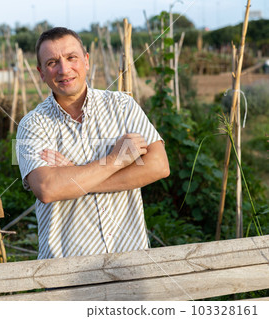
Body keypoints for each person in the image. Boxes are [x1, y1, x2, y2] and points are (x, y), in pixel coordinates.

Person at [16, 27, 170, 260]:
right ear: (41, 73)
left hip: (130, 259)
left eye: (71, 58)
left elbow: (159, 165)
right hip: (66, 270)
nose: (64, 69)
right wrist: (115, 161)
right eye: (52, 63)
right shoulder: (32, 125)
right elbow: (48, 189)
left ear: (86, 61)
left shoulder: (122, 106)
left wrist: (74, 176)